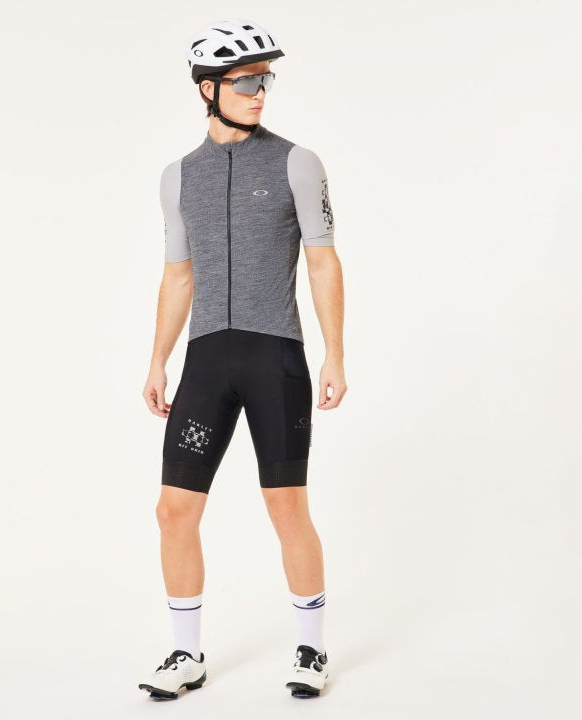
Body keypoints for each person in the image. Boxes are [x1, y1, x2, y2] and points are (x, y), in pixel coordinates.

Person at [138, 18, 346, 700]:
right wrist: (157, 360)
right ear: (208, 89)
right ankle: (185, 653)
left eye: (265, 80)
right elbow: (178, 275)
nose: (260, 92)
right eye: (246, 82)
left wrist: (334, 354)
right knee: (174, 510)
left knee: (285, 505)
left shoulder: (296, 162)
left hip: (274, 357)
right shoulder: (178, 177)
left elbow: (322, 262)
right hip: (206, 362)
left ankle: (311, 648)